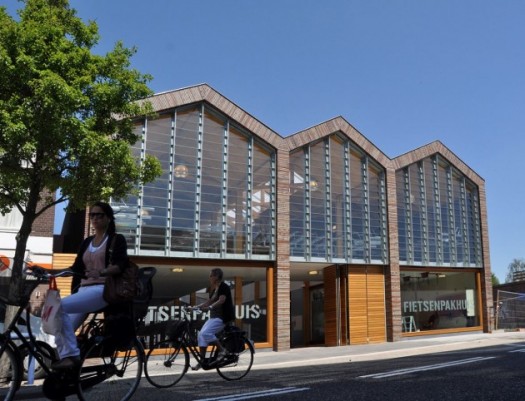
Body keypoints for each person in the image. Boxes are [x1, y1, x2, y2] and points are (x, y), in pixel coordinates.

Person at [51, 201, 130, 369]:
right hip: (83, 291)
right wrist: (49, 272)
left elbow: (120, 265)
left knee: (59, 307)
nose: (94, 218)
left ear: (108, 218)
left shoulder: (116, 239)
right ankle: (69, 373)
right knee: (59, 327)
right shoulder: (87, 242)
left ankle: (72, 357)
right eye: (92, 215)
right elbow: (75, 268)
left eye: (99, 215)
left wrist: (101, 272)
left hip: (102, 289)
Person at [192, 268, 235, 371]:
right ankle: (202, 361)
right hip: (214, 317)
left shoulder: (223, 286)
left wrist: (210, 307)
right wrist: (195, 307)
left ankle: (222, 350)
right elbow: (209, 302)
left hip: (222, 317)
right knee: (201, 335)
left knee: (206, 333)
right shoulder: (215, 289)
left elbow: (222, 300)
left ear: (216, 277)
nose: (209, 278)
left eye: (211, 276)